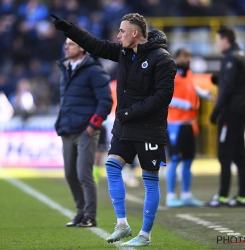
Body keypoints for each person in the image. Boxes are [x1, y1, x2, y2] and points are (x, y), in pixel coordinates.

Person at [51, 13, 176, 247]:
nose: (118, 36)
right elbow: (95, 45)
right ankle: (122, 224)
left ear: (135, 33)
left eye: (121, 31)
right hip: (124, 126)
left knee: (150, 181)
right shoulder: (123, 52)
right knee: (111, 166)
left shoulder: (163, 59)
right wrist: (69, 29)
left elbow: (163, 97)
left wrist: (131, 112)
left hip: (149, 128)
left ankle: (145, 236)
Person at [55, 38, 112, 227]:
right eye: (65, 44)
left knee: (83, 174)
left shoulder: (94, 70)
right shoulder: (65, 69)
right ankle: (80, 213)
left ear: (81, 48)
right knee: (70, 174)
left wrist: (92, 126)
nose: (66, 47)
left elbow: (105, 101)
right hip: (67, 130)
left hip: (85, 131)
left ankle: (90, 216)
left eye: (70, 44)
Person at [206, 26, 245, 207]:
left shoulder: (231, 57)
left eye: (217, 40)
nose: (217, 44)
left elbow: (228, 89)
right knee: (239, 154)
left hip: (230, 112)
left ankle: (222, 197)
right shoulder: (242, 55)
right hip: (240, 111)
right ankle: (242, 196)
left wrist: (216, 111)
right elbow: (237, 83)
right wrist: (221, 79)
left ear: (226, 40)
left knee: (224, 154)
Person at [165, 48, 213, 208]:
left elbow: (192, 88)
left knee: (188, 161)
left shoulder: (189, 74)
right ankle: (170, 196)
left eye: (189, 56)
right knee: (175, 160)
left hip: (189, 124)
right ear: (177, 58)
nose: (188, 59)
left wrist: (205, 95)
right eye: (185, 56)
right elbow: (165, 97)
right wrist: (186, 104)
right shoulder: (171, 75)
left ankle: (186, 195)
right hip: (175, 125)